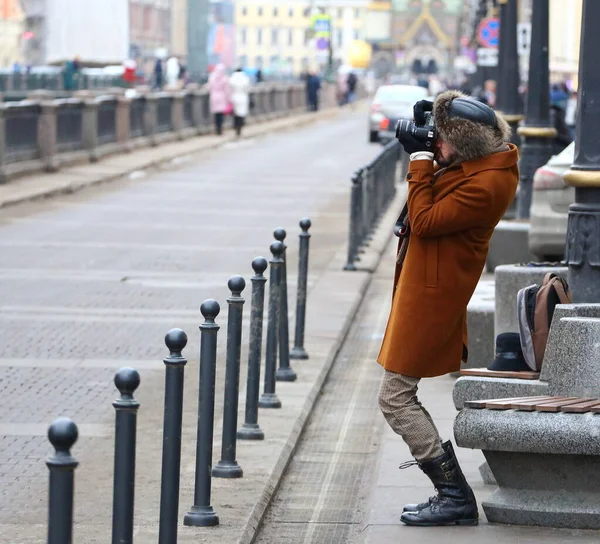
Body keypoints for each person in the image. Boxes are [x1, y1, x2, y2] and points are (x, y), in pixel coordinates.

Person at [378, 90, 518, 527]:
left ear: (465, 144)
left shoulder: (488, 183)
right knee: (396, 394)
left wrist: (420, 160)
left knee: (394, 397)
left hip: (433, 300)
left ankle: (454, 495)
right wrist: (428, 152)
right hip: (423, 289)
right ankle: (451, 494)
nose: (435, 143)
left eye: (441, 138)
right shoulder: (478, 166)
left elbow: (424, 221)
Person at [208, 63, 231, 135]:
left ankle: (217, 129)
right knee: (221, 114)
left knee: (216, 115)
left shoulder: (212, 77)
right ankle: (220, 129)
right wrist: (228, 100)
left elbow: (209, 87)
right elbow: (227, 91)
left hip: (214, 97)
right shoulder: (225, 78)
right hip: (222, 97)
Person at [229, 67, 251, 137]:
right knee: (241, 114)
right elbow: (248, 89)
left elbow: (229, 89)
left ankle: (235, 127)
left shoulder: (232, 78)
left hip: (234, 97)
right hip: (243, 97)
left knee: (235, 114)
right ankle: (239, 129)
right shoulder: (245, 78)